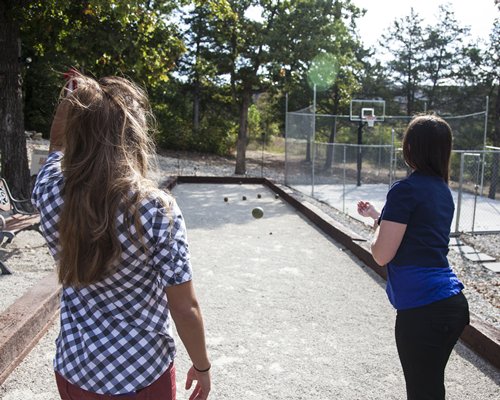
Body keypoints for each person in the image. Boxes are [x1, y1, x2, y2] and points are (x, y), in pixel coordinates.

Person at [32, 72, 211, 399]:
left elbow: (56, 147)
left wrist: (71, 98)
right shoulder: (157, 209)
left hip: (76, 371)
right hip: (143, 374)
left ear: (78, 133)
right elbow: (185, 308)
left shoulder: (50, 192)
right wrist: (202, 367)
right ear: (134, 136)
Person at [357, 114, 469, 400]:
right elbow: (415, 234)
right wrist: (376, 216)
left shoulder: (404, 189)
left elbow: (382, 254)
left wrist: (374, 232)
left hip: (423, 310)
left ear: (409, 148)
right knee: (430, 388)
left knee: (423, 392)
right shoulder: (443, 191)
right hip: (451, 305)